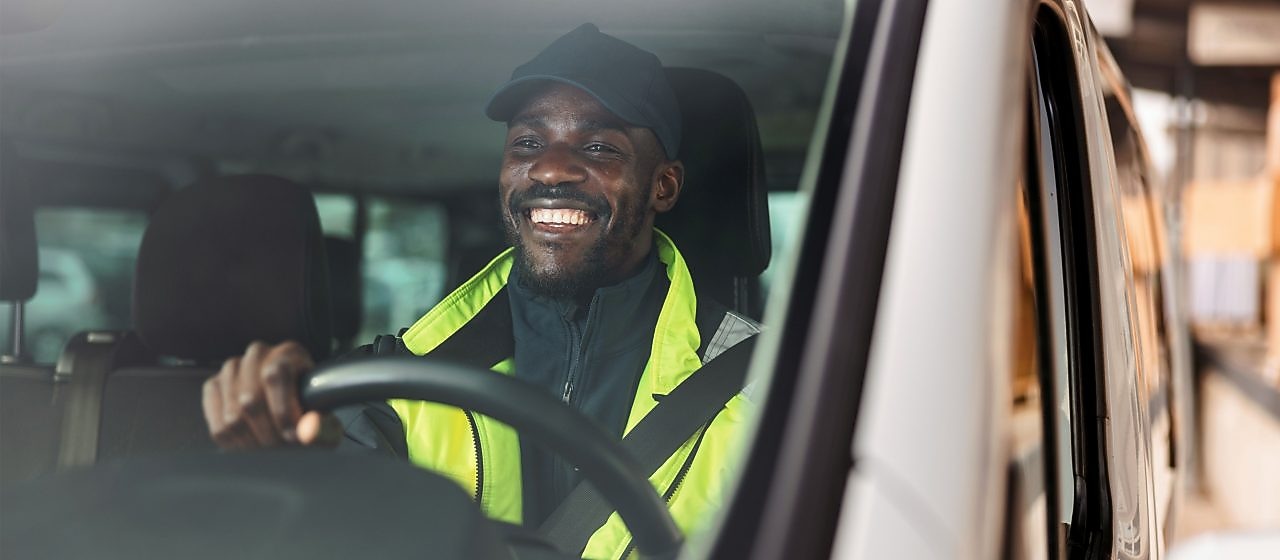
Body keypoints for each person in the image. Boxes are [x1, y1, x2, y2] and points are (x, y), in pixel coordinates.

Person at [201, 23, 758, 558]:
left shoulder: (767, 388)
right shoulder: (400, 377)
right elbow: (339, 518)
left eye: (598, 149)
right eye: (528, 143)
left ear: (664, 186)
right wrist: (293, 446)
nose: (549, 170)